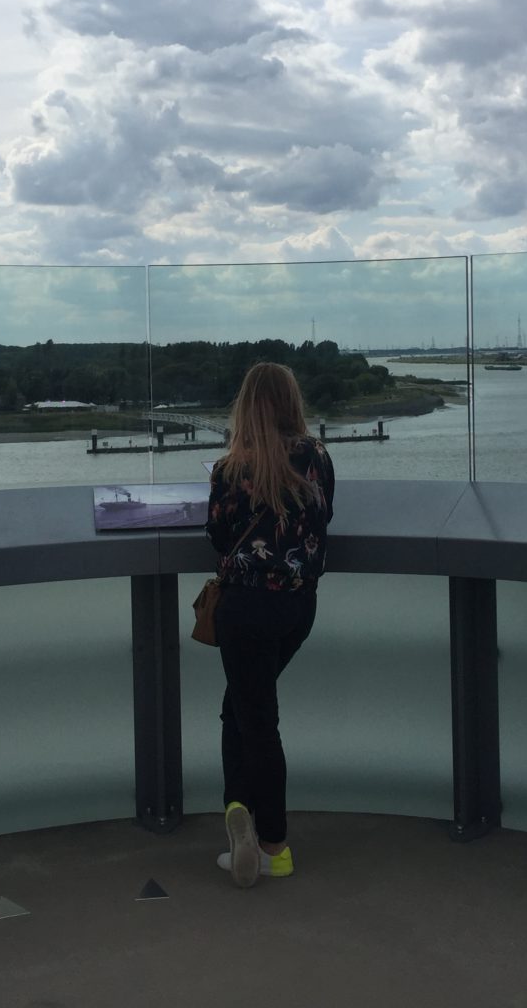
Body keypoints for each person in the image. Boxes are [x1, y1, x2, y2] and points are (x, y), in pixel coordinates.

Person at [206, 362, 335, 889]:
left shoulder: (230, 467)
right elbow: (324, 521)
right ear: (290, 402)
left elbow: (217, 536)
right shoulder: (318, 457)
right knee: (241, 707)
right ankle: (241, 812)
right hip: (297, 609)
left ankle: (271, 845)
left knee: (256, 720)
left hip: (243, 610)